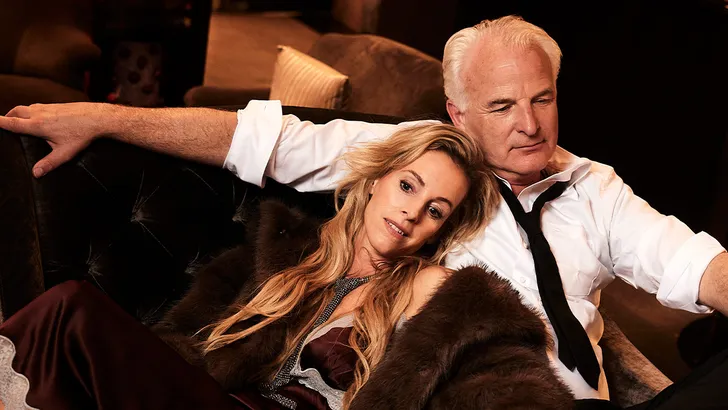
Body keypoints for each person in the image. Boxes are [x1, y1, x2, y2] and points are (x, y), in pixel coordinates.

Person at [1, 14, 727, 410]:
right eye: (504, 106)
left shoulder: (597, 189)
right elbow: (258, 139)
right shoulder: (413, 160)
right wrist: (103, 115)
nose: (531, 124)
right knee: (71, 314)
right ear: (459, 113)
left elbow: (697, 264)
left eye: (543, 99)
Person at [0, 124, 573, 409]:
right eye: (408, 186)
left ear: (441, 231)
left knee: (70, 308)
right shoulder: (276, 253)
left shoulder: (431, 289)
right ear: (377, 180)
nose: (412, 212)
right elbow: (181, 342)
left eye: (436, 211)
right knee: (67, 324)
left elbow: (511, 385)